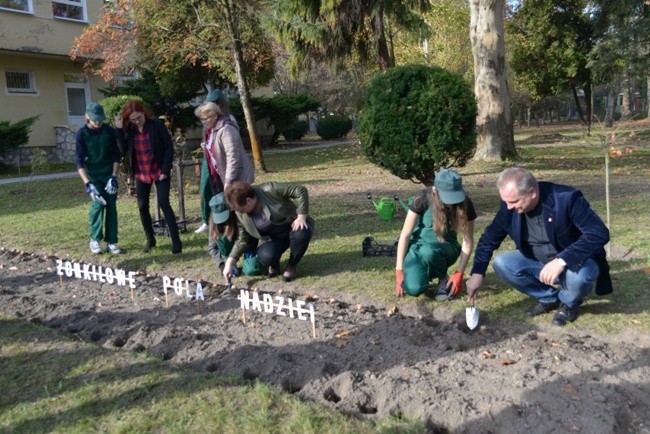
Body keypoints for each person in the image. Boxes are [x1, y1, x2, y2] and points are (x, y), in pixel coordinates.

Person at [466, 167, 612, 326]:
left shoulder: (567, 199)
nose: (508, 207)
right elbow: (489, 239)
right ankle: (548, 298)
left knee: (579, 279)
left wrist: (561, 261)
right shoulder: (509, 207)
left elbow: (598, 233)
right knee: (502, 263)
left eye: (514, 201)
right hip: (537, 260)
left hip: (575, 262)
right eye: (505, 201)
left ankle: (569, 304)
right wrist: (477, 273)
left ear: (532, 192)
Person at [395, 169, 476, 299]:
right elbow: (405, 234)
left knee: (428, 251)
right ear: (435, 190)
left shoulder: (465, 202)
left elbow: (468, 241)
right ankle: (424, 274)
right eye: (447, 197)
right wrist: (399, 271)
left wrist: (459, 273)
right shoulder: (422, 198)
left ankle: (442, 277)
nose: (451, 202)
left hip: (445, 247)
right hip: (416, 249)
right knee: (413, 289)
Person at [115, 100, 182, 254]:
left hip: (159, 170)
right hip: (141, 172)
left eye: (139, 117)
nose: (137, 121)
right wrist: (119, 130)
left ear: (144, 112)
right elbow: (123, 148)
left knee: (164, 203)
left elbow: (168, 147)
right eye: (133, 119)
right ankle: (150, 239)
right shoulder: (129, 129)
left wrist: (166, 169)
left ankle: (176, 240)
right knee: (142, 206)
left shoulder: (156, 125)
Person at [223, 181, 314, 283]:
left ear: (248, 200)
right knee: (266, 257)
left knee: (301, 235)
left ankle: (291, 266)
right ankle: (274, 264)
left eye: (241, 210)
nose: (240, 213)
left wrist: (301, 216)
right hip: (272, 238)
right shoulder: (240, 214)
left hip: (292, 226)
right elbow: (242, 240)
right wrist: (229, 263)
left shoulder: (269, 189)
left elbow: (300, 190)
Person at [194, 90, 254, 234]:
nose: (203, 122)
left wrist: (228, 180)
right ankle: (226, 230)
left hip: (232, 174)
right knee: (225, 203)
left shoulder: (227, 127)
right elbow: (212, 145)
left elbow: (233, 156)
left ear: (214, 113)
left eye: (205, 119)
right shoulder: (213, 127)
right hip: (218, 172)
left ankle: (251, 232)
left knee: (238, 204)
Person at [75, 102, 121, 254]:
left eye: (100, 118)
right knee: (98, 206)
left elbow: (116, 155)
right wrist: (87, 183)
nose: (98, 122)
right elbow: (79, 161)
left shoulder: (109, 131)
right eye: (95, 119)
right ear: (87, 117)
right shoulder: (82, 134)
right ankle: (94, 240)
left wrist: (114, 176)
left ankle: (111, 242)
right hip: (93, 176)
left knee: (111, 207)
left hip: (109, 175)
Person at [207, 192, 258, 274]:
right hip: (232, 245)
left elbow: (243, 240)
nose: (223, 221)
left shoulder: (241, 213)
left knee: (251, 270)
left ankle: (251, 257)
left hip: (248, 242)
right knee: (221, 237)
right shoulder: (214, 223)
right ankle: (229, 260)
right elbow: (212, 247)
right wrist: (222, 265)